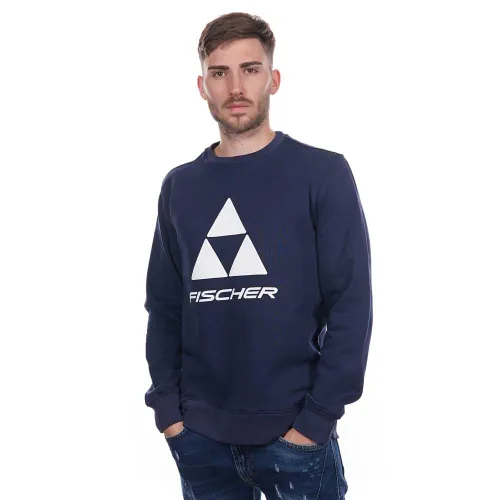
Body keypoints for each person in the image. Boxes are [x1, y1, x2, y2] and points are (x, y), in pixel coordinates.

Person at [143, 11, 372, 499]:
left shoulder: (322, 173)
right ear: (202, 86)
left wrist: (315, 421)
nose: (235, 87)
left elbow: (351, 305)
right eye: (219, 73)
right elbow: (163, 307)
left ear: (274, 79)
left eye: (250, 69)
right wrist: (170, 415)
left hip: (297, 438)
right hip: (200, 440)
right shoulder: (179, 187)